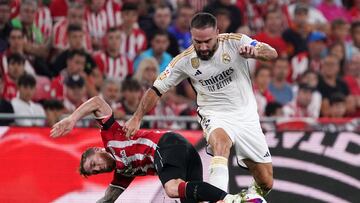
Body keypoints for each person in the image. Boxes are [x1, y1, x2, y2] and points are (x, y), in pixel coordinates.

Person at [124, 12, 277, 201]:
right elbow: (156, 89)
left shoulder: (235, 42)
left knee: (266, 182)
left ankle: (245, 198)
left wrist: (256, 52)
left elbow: (271, 52)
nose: (203, 47)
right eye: (197, 42)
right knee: (221, 143)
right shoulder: (184, 61)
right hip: (214, 114)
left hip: (246, 116)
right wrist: (137, 117)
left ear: (217, 33)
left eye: (208, 41)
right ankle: (219, 199)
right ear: (191, 36)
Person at [50, 96, 258, 203]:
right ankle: (243, 199)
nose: (98, 168)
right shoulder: (122, 173)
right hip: (185, 151)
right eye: (95, 171)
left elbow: (96, 102)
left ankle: (234, 200)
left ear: (97, 149)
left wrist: (72, 118)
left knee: (171, 188)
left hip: (167, 145)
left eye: (94, 163)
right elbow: (107, 199)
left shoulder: (110, 135)